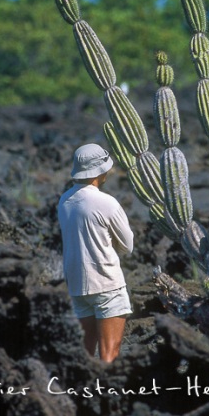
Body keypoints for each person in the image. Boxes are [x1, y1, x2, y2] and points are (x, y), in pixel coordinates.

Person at [57, 143, 134, 363]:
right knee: (109, 354)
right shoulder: (106, 202)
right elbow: (128, 246)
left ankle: (81, 394)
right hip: (107, 283)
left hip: (77, 285)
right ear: (100, 172)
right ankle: (104, 395)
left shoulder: (64, 201)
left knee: (85, 354)